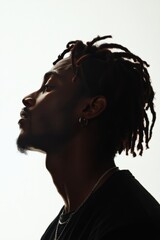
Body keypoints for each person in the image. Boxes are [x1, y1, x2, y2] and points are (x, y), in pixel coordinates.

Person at [17, 35, 160, 240]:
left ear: (90, 108)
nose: (28, 98)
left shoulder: (130, 224)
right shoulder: (57, 229)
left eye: (48, 87)